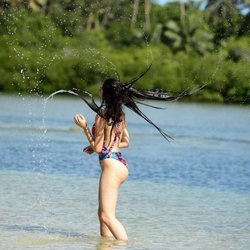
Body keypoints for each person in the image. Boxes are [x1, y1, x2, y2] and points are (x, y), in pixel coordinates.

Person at [73, 64, 203, 241]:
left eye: (101, 88)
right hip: (119, 163)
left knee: (107, 217)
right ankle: (106, 246)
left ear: (104, 93)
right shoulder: (120, 115)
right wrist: (102, 145)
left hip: (111, 166)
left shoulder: (101, 115)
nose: (99, 90)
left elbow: (97, 149)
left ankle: (123, 245)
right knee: (102, 216)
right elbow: (125, 142)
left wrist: (84, 128)